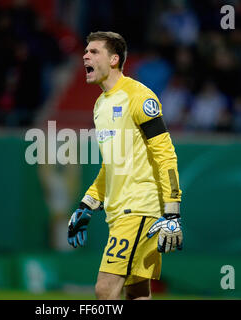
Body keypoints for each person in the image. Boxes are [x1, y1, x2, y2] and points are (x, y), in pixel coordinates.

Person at [67, 31, 183, 300]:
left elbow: (166, 155)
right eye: (85, 51)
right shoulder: (100, 105)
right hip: (120, 212)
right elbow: (112, 165)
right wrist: (87, 203)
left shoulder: (139, 96)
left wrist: (173, 211)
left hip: (140, 209)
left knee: (105, 289)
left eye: (94, 52)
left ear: (114, 59)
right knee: (137, 292)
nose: (86, 55)